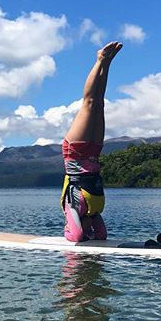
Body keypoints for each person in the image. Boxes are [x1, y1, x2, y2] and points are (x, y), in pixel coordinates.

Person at [61, 41, 123, 242]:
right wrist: (93, 234)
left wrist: (80, 233)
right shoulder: (94, 213)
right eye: (91, 231)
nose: (90, 231)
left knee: (88, 104)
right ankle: (107, 63)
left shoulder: (71, 208)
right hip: (94, 152)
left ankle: (100, 60)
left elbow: (76, 236)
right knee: (99, 103)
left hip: (76, 152)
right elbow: (102, 236)